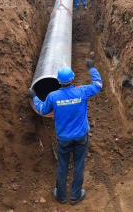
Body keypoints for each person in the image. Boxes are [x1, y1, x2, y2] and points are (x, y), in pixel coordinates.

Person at [28, 59, 103, 205]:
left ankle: (61, 195)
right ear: (73, 79)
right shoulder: (81, 92)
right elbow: (98, 85)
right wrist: (92, 68)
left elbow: (42, 109)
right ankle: (75, 196)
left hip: (64, 138)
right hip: (81, 136)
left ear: (58, 81)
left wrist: (34, 96)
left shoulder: (53, 96)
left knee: (63, 165)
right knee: (78, 164)